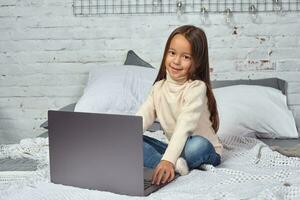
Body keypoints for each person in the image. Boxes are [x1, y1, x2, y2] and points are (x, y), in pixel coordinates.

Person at [136, 25, 223, 186]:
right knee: (132, 140)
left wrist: (168, 159)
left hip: (202, 148)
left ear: (197, 61)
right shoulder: (158, 88)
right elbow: (142, 117)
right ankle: (172, 165)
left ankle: (168, 164)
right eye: (172, 53)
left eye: (186, 57)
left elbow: (185, 126)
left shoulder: (197, 88)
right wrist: (124, 136)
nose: (176, 61)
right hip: (175, 149)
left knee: (198, 144)